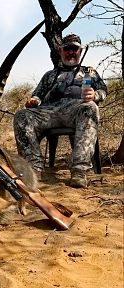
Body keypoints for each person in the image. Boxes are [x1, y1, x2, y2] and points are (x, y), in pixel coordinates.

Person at [14, 34, 107, 188]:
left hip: (77, 109)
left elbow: (103, 90)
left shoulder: (89, 73)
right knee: (22, 115)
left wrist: (95, 95)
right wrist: (34, 101)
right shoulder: (49, 75)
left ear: (80, 51)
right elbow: (37, 95)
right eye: (67, 48)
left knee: (90, 108)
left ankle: (79, 170)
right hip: (49, 112)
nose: (71, 52)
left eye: (75, 49)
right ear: (60, 51)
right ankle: (33, 169)